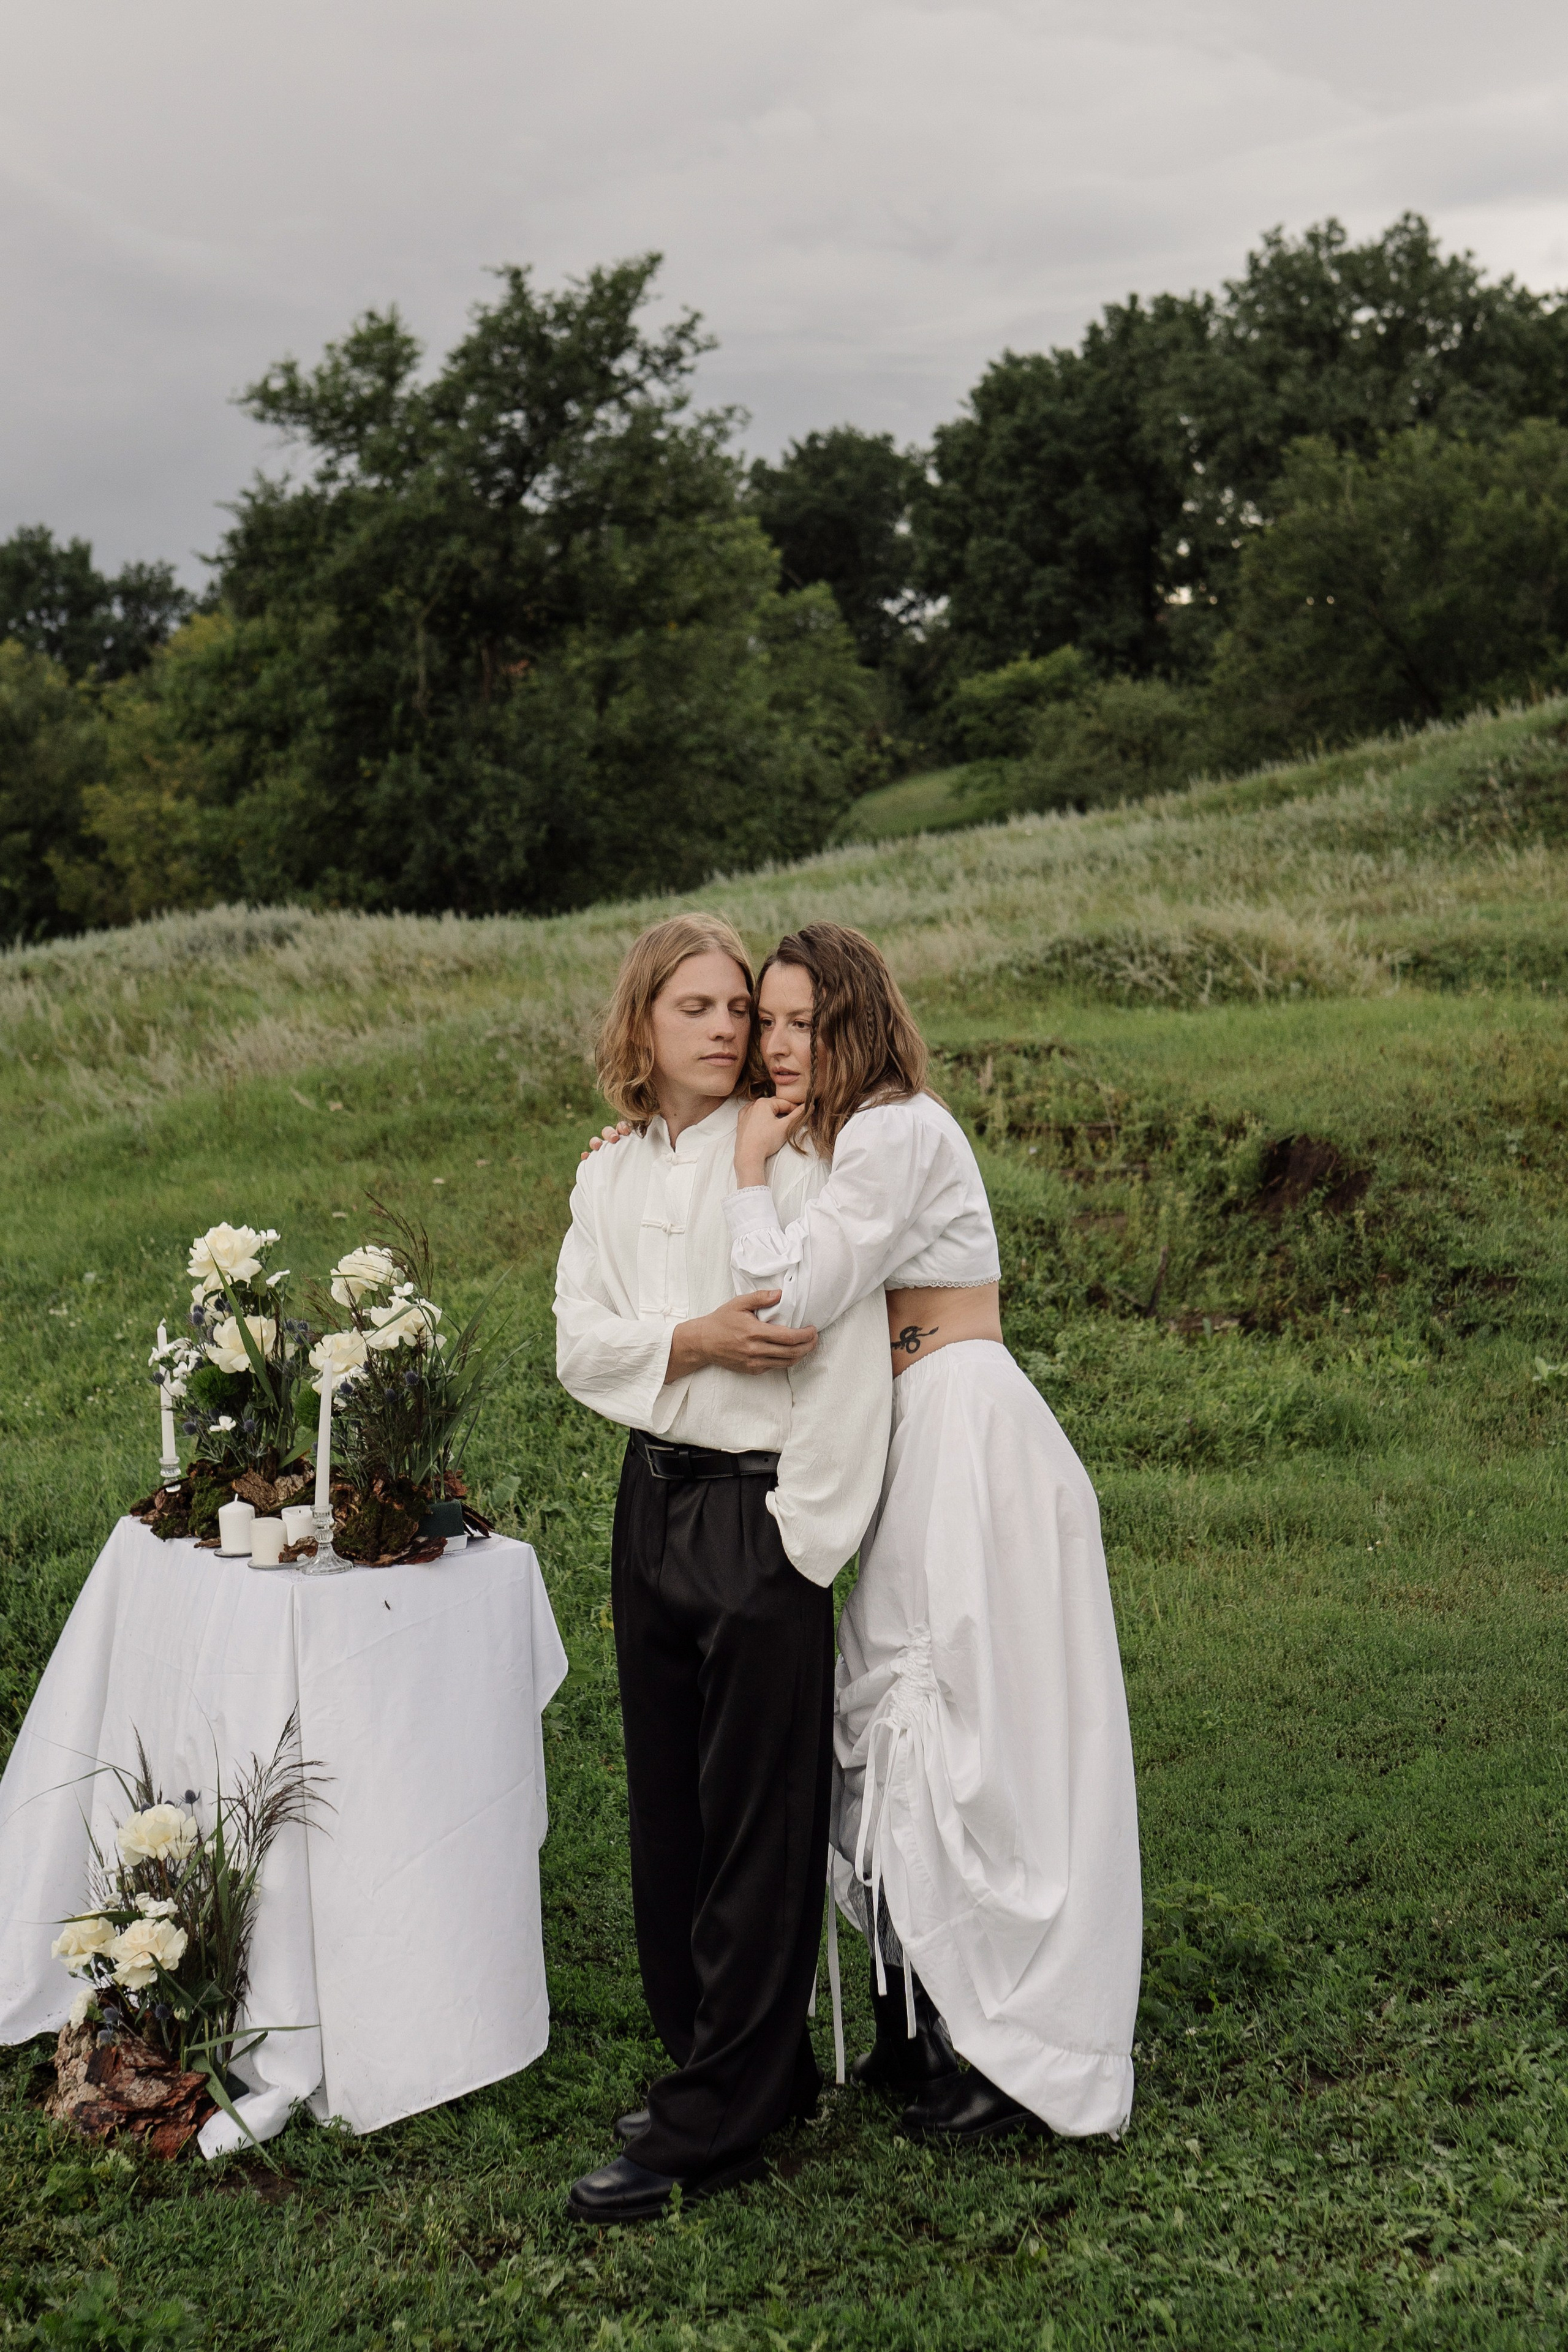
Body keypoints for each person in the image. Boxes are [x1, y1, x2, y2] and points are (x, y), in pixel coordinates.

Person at [722, 922, 1142, 2141]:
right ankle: (945, 2015)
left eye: (806, 1022)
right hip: (918, 1431)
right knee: (910, 1703)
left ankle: (1022, 2050)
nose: (781, 1044)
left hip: (965, 1432)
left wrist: (748, 1178)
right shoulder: (847, 1139)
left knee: (969, 1721)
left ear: (855, 1022)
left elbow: (786, 1300)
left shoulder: (898, 1129)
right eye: (771, 1022)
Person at [553, 913, 892, 2222]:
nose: (723, 1026)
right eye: (691, 1006)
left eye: (739, 1008)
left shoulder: (796, 1163)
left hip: (759, 1520)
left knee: (759, 1825)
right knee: (671, 1815)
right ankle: (732, 2063)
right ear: (641, 1024)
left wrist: (800, 1545)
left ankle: (718, 2121)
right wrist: (687, 1339)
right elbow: (580, 1350)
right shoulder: (606, 1176)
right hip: (652, 1502)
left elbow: (835, 1356)